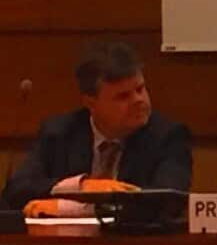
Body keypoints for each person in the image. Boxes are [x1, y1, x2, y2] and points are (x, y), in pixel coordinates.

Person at [3, 42, 192, 217]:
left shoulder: (168, 136)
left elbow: (167, 203)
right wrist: (81, 186)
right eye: (123, 96)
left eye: (140, 89)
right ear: (91, 103)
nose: (138, 101)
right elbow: (17, 190)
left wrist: (70, 208)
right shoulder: (59, 133)